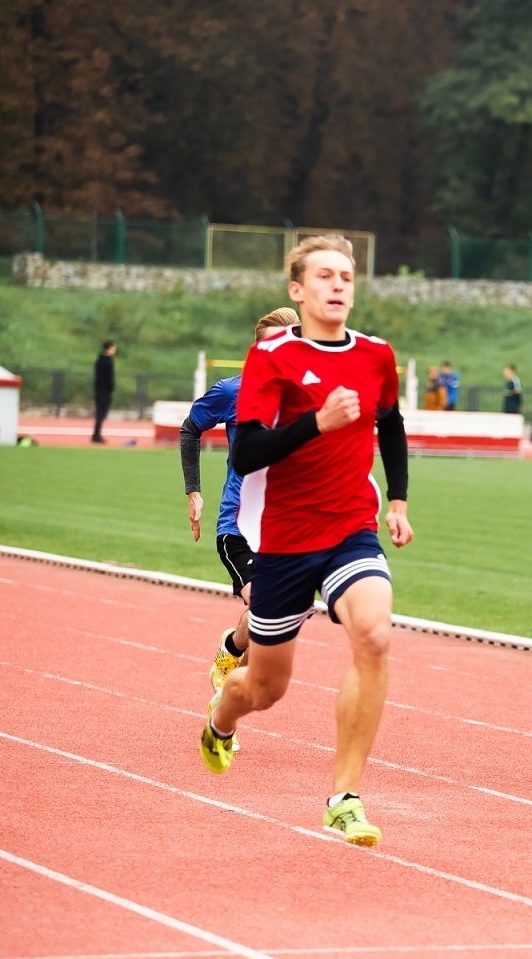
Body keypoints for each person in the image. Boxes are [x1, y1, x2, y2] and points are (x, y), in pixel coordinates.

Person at [198, 234, 413, 848]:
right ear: (298, 290)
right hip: (285, 540)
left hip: (350, 526)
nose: (338, 285)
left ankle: (344, 798)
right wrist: (317, 421)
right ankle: (221, 718)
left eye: (346, 276)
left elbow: (391, 424)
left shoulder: (376, 355)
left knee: (374, 634)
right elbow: (245, 450)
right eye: (324, 276)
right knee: (264, 689)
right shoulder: (272, 358)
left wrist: (397, 499)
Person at [180, 307, 300, 734]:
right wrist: (193, 490)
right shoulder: (234, 390)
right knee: (263, 605)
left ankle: (230, 661)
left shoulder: (306, 393)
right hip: (238, 524)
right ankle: (227, 687)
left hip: (285, 525)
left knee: (269, 626)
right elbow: (190, 428)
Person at [92, 341, 116, 442]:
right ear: (109, 349)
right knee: (102, 413)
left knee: (99, 413)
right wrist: (111, 390)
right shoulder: (108, 362)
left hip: (98, 389)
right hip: (105, 391)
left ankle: (96, 434)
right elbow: (109, 378)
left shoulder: (99, 360)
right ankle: (97, 435)